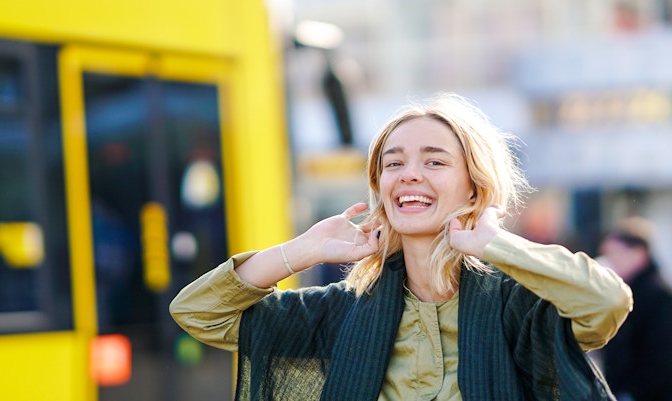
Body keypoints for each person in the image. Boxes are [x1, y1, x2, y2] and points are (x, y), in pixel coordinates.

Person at [170, 93, 633, 401]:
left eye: (434, 161)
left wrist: (497, 244)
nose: (409, 173)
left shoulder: (522, 306)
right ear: (382, 189)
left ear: (473, 188)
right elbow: (198, 312)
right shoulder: (342, 312)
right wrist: (304, 249)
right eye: (394, 164)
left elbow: (608, 303)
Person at [598, 217, 672, 401]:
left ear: (638, 254)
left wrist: (630, 393)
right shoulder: (625, 292)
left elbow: (662, 359)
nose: (609, 261)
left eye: (615, 253)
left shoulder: (658, 295)